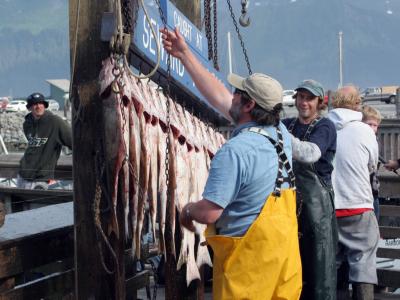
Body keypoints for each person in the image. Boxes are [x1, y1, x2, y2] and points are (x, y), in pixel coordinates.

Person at [162, 28, 302, 299]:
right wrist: (184, 54)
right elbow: (220, 98)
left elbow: (211, 213)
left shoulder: (235, 151)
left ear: (249, 105)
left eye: (237, 93)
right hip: (283, 267)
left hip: (247, 272)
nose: (232, 96)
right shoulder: (281, 134)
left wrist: (188, 210)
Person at [282, 80, 338, 300]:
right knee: (290, 272)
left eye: (309, 98)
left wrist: (279, 135)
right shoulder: (287, 124)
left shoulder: (325, 126)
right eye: (301, 97)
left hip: (318, 212)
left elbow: (310, 153)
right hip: (288, 209)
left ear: (319, 102)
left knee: (320, 275)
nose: (304, 102)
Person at [328, 86, 379, 299]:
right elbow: (372, 165)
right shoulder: (364, 130)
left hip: (329, 207)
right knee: (364, 264)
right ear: (357, 104)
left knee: (329, 265)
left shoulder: (323, 127)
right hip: (358, 205)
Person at [17, 92, 72, 189]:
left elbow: (74, 143)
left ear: (44, 105)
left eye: (41, 103)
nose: (38, 106)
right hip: (22, 176)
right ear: (29, 107)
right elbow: (33, 147)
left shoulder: (56, 122)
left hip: (41, 180)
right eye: (35, 104)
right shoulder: (27, 124)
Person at [361, 105, 382, 220]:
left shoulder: (375, 140)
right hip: (363, 194)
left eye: (375, 125)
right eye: (369, 124)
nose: (373, 128)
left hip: (373, 192)